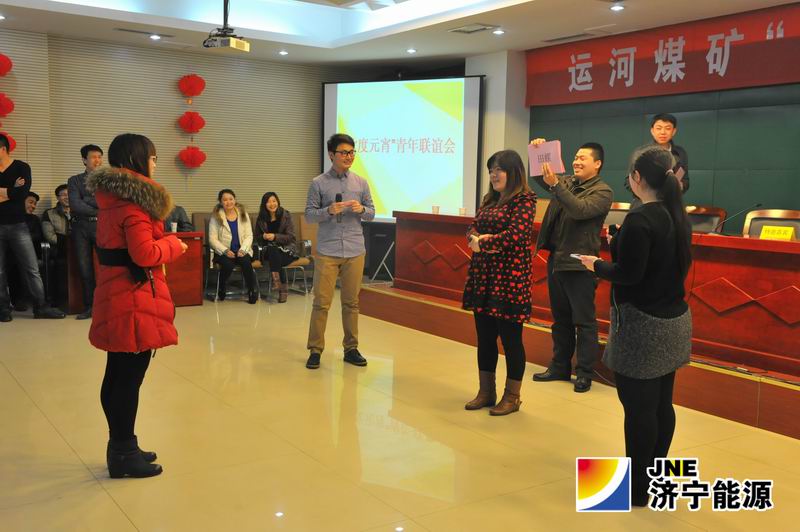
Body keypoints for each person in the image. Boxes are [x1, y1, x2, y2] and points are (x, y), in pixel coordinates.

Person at [575, 146, 692, 507]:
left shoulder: (641, 218)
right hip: (673, 322)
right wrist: (620, 244)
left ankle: (637, 491)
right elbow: (652, 265)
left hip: (642, 326)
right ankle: (656, 480)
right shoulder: (676, 215)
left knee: (639, 410)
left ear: (637, 178)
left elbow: (629, 274)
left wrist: (596, 265)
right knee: (661, 406)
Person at [87, 133, 188, 478]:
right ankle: (123, 453)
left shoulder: (113, 199)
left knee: (117, 374)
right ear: (136, 159)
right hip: (131, 298)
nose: (155, 164)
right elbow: (144, 253)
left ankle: (122, 445)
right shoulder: (134, 203)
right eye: (153, 157)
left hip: (117, 294)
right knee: (127, 379)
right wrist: (173, 244)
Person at [529, 138, 613, 393]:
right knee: (560, 320)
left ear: (597, 164)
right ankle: (559, 366)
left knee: (584, 322)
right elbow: (540, 176)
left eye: (582, 158)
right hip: (557, 259)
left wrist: (556, 185)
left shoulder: (603, 191)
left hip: (580, 264)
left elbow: (579, 210)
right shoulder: (566, 183)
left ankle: (585, 372)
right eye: (575, 157)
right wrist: (538, 151)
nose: (576, 161)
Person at [462, 150, 536, 416]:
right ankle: (486, 392)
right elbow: (471, 227)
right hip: (484, 277)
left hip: (509, 280)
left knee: (511, 340)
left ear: (513, 172)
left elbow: (516, 235)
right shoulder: (490, 199)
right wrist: (475, 237)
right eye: (491, 170)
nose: (493, 175)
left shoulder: (525, 200)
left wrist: (483, 242)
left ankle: (512, 397)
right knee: (485, 338)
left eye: (499, 170)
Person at [304, 133, 375, 369]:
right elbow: (309, 215)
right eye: (344, 152)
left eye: (352, 152)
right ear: (331, 155)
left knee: (351, 303)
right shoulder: (318, 183)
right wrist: (328, 211)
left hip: (355, 249)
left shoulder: (361, 182)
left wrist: (361, 209)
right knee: (321, 303)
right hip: (328, 250)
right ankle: (315, 350)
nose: (349, 156)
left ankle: (351, 349)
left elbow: (372, 213)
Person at [0, 133, 65, 322]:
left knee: (31, 268)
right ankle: (3, 309)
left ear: (2, 149)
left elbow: (22, 194)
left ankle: (41, 307)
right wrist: (11, 190)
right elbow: (15, 193)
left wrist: (12, 192)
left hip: (18, 225)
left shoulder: (21, 167)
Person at [68, 144, 104, 320]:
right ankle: (90, 306)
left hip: (102, 226)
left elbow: (107, 203)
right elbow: (75, 205)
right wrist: (97, 206)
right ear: (84, 160)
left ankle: (107, 305)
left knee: (107, 266)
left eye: (100, 157)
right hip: (80, 227)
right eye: (93, 157)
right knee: (85, 268)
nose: (98, 160)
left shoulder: (107, 180)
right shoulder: (74, 180)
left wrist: (87, 199)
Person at [208, 189, 258, 304]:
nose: (228, 202)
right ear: (220, 202)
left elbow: (249, 235)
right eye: (225, 200)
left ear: (235, 200)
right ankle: (222, 286)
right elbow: (212, 239)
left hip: (241, 250)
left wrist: (243, 249)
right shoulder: (216, 217)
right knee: (228, 265)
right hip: (224, 252)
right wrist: (225, 250)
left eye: (231, 199)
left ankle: (252, 290)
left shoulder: (243, 214)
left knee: (246, 262)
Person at [255, 191, 297, 303]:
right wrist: (263, 236)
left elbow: (291, 237)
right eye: (268, 202)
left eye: (274, 201)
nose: (272, 204)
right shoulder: (261, 218)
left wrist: (275, 237)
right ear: (264, 204)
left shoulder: (286, 215)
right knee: (273, 250)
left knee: (277, 258)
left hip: (287, 250)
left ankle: (278, 283)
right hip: (268, 251)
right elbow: (257, 238)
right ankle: (282, 290)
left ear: (278, 202)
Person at [649, 113, 689, 193]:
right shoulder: (641, 152)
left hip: (672, 199)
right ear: (652, 131)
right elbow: (629, 182)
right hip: (647, 199)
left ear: (673, 131)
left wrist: (680, 186)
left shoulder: (680, 153)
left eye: (667, 128)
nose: (663, 132)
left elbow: (685, 179)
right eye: (659, 128)